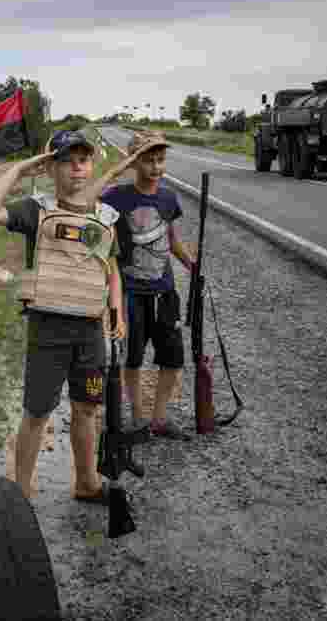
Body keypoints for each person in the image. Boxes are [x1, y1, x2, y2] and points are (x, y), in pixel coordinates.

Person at [0, 130, 126, 503]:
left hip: (90, 333)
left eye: (84, 159)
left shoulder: (104, 216)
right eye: (67, 159)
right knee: (38, 413)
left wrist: (116, 310)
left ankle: (87, 482)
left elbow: (111, 267)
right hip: (48, 333)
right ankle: (21, 494)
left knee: (87, 409)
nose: (78, 165)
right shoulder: (36, 209)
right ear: (51, 167)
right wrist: (23, 168)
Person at [97, 130, 196, 441]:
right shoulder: (116, 196)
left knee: (173, 358)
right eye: (149, 161)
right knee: (133, 359)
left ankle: (159, 418)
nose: (156, 167)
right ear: (134, 162)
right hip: (129, 293)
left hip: (164, 291)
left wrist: (191, 264)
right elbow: (89, 202)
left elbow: (171, 239)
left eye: (160, 160)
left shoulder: (168, 198)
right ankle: (139, 418)